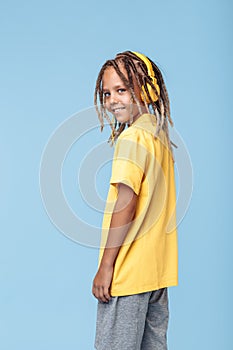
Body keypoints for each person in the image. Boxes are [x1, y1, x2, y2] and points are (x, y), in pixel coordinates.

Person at [92, 50, 178, 350]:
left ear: (147, 90)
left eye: (122, 90)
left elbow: (125, 204)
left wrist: (106, 266)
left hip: (128, 274)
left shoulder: (132, 139)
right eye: (107, 92)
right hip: (156, 276)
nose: (112, 100)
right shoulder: (157, 134)